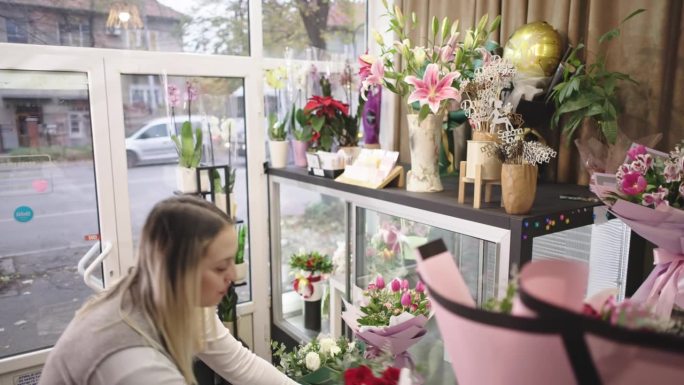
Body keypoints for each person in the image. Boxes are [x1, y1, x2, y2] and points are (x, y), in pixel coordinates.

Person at [39, 195, 299, 385]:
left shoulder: (170, 295)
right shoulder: (133, 364)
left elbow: (240, 365)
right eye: (221, 268)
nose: (232, 275)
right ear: (179, 270)